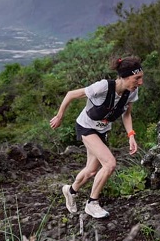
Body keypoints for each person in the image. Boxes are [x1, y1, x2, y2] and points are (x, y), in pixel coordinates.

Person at [50, 56, 143, 219]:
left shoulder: (131, 93)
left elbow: (126, 115)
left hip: (102, 130)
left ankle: (70, 191)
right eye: (137, 78)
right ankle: (92, 203)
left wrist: (131, 135)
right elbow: (71, 94)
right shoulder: (103, 87)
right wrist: (59, 116)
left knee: (92, 170)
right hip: (86, 127)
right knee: (109, 163)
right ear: (125, 77)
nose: (140, 82)